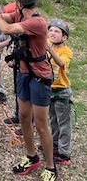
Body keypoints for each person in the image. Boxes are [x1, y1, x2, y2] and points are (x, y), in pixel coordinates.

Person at [0, 0, 57, 181]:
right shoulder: (20, 16)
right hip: (24, 73)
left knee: (40, 124)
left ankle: (50, 166)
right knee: (23, 117)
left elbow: (4, 28)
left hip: (39, 77)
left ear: (20, 3)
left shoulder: (36, 22)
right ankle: (32, 157)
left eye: (15, 1)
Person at [47, 19, 73, 166]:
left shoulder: (66, 52)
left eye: (57, 31)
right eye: (50, 30)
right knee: (53, 121)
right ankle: (55, 145)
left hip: (62, 92)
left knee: (64, 124)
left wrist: (49, 49)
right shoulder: (47, 43)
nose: (52, 33)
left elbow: (61, 63)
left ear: (64, 37)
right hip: (49, 89)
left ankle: (64, 154)